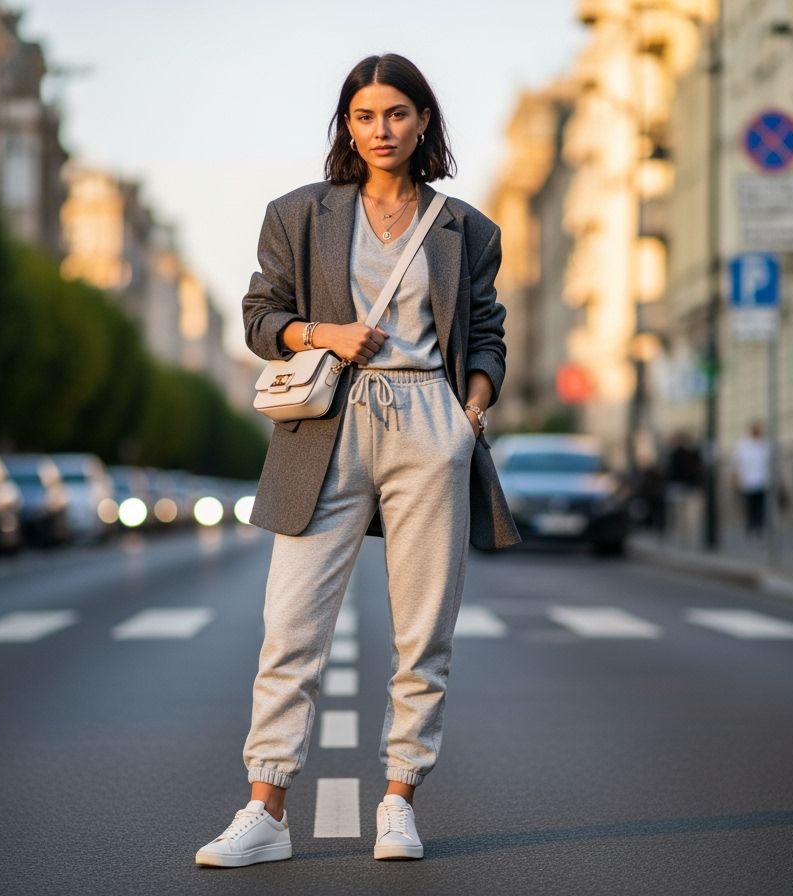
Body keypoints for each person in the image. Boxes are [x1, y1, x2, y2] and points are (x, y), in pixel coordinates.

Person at [195, 53, 520, 869]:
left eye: (399, 114)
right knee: (291, 625)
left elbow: (487, 333)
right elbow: (261, 316)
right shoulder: (300, 214)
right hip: (328, 423)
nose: (383, 130)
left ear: (423, 124)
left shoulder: (466, 229)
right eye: (366, 115)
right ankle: (265, 810)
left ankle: (399, 800)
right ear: (347, 124)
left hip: (428, 423)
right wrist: (322, 334)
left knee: (424, 630)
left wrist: (470, 411)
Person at [731, 421, 771, 539]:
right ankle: (750, 528)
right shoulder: (743, 445)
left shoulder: (765, 444)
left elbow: (770, 463)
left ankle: (759, 528)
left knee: (761, 507)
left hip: (763, 481)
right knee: (750, 507)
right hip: (748, 481)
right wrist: (735, 477)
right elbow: (737, 462)